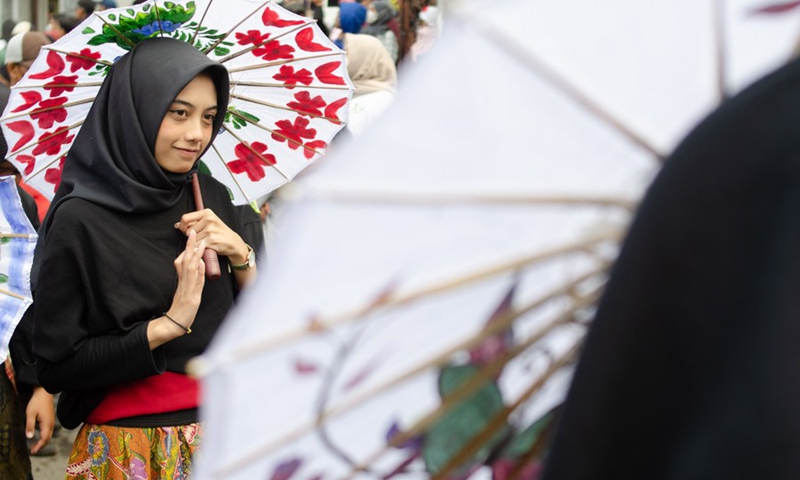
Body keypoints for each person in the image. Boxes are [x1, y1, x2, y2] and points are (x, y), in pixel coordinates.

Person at [29, 37, 258, 477]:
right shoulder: (80, 219)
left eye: (209, 118)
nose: (196, 134)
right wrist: (166, 326)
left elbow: (267, 324)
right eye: (179, 113)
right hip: (130, 446)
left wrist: (241, 254)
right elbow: (58, 366)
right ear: (135, 111)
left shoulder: (214, 199)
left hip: (228, 435)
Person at [344, 33, 397, 136]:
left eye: (348, 54)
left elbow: (349, 140)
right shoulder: (363, 90)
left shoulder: (370, 102)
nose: (344, 60)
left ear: (365, 62)